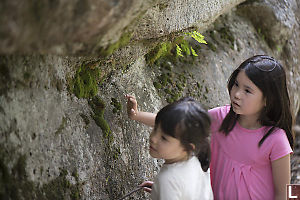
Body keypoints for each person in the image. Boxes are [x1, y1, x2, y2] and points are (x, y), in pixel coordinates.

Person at [126, 55, 294, 200]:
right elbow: (176, 124)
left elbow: (283, 193)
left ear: (267, 100)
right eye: (236, 84)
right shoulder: (221, 117)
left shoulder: (275, 139)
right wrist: (170, 190)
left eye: (247, 90)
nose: (236, 93)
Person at [127, 97, 213, 200]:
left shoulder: (167, 180)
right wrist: (136, 115)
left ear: (187, 147)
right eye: (155, 129)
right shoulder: (195, 157)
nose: (153, 138)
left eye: (163, 138)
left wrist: (166, 189)